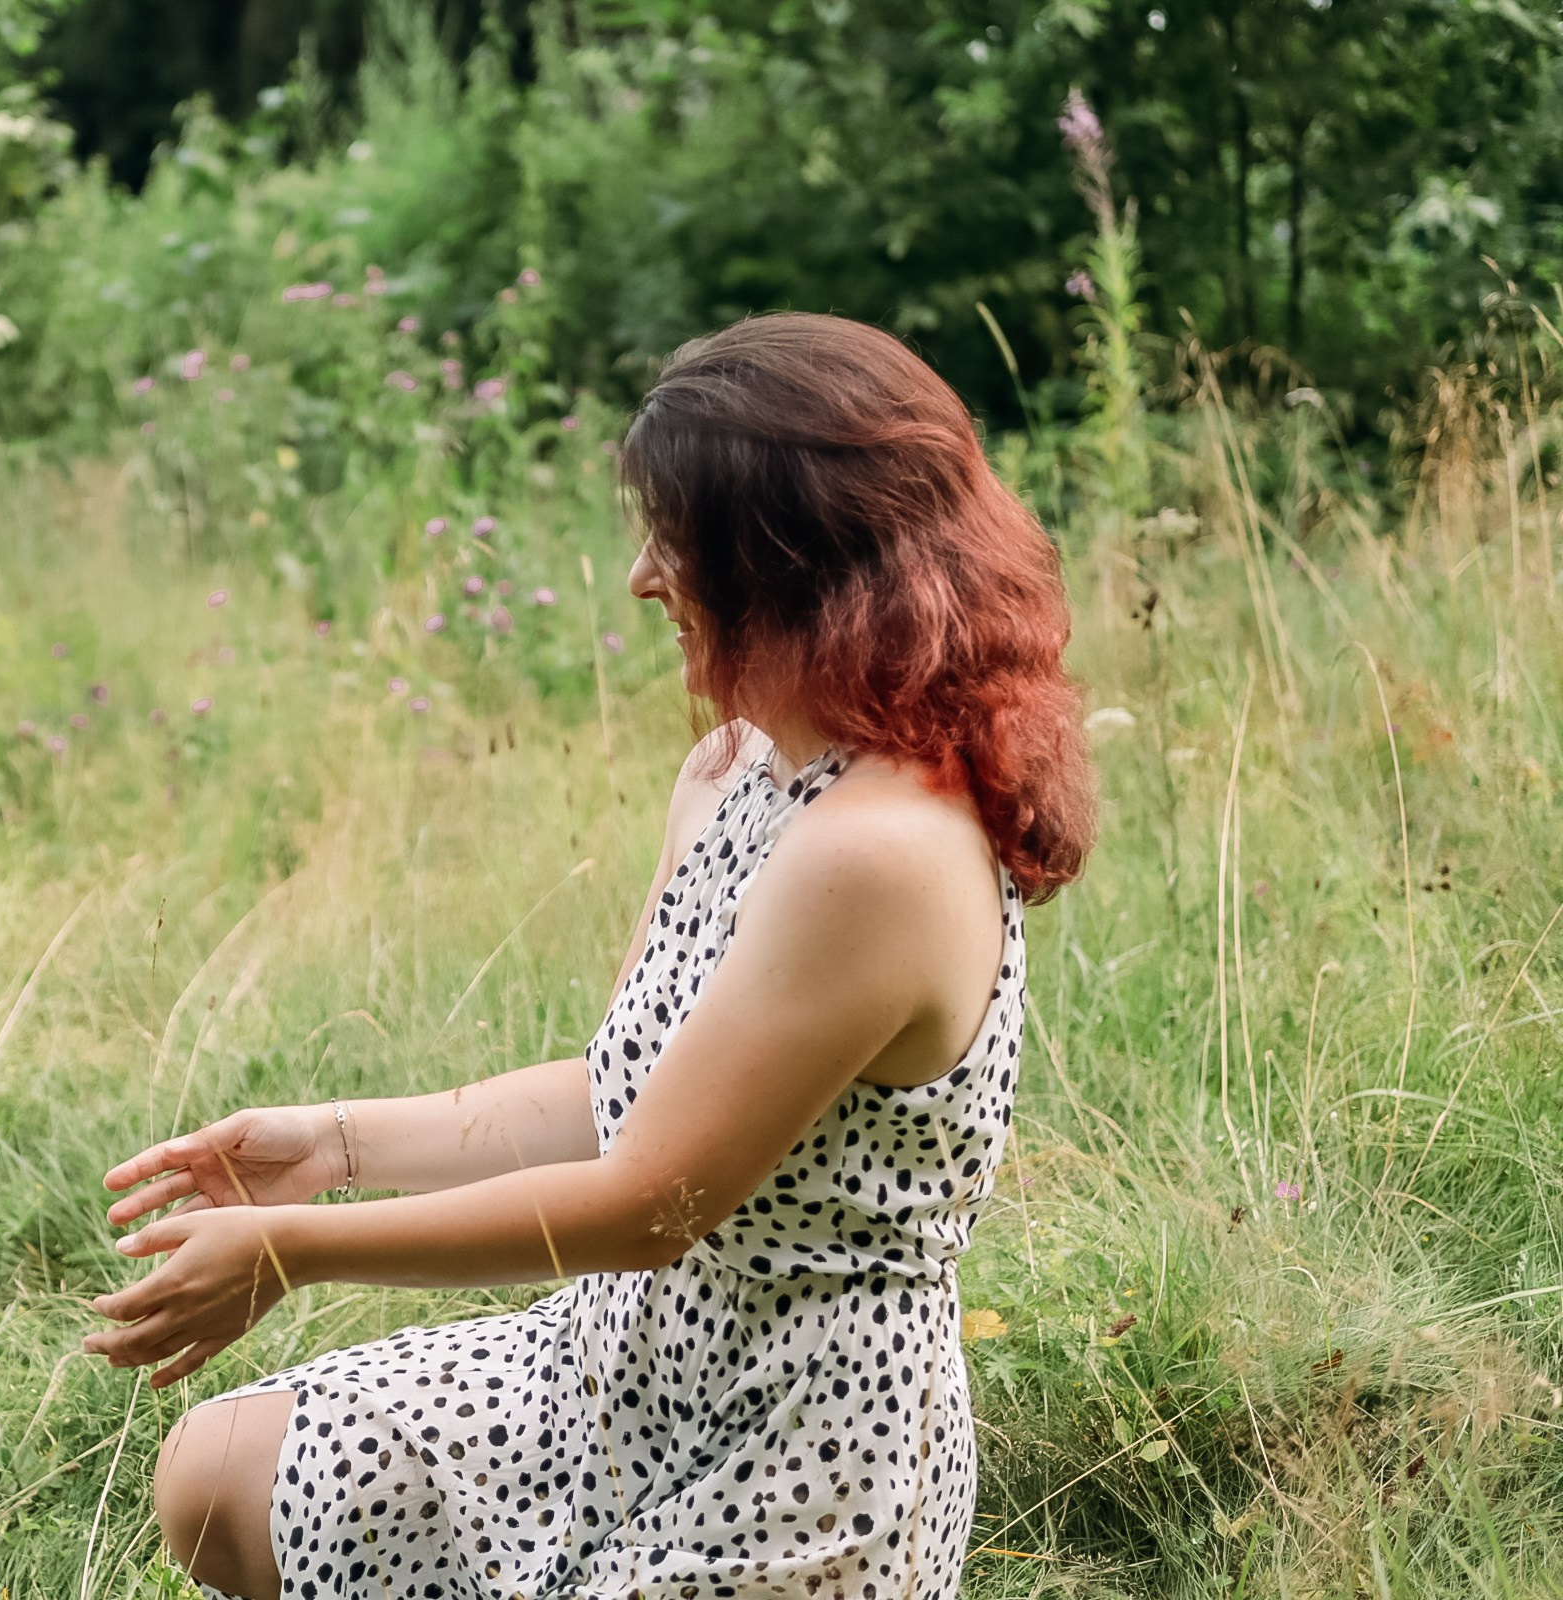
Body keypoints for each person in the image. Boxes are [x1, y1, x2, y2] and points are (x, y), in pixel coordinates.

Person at [86, 312, 1096, 1599]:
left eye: (680, 542)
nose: (641, 578)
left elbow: (649, 1206)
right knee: (222, 1471)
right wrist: (332, 1145)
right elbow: (617, 1096)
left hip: (795, 1444)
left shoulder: (884, 852)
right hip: (617, 1374)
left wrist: (298, 1248)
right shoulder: (734, 771)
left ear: (787, 562)